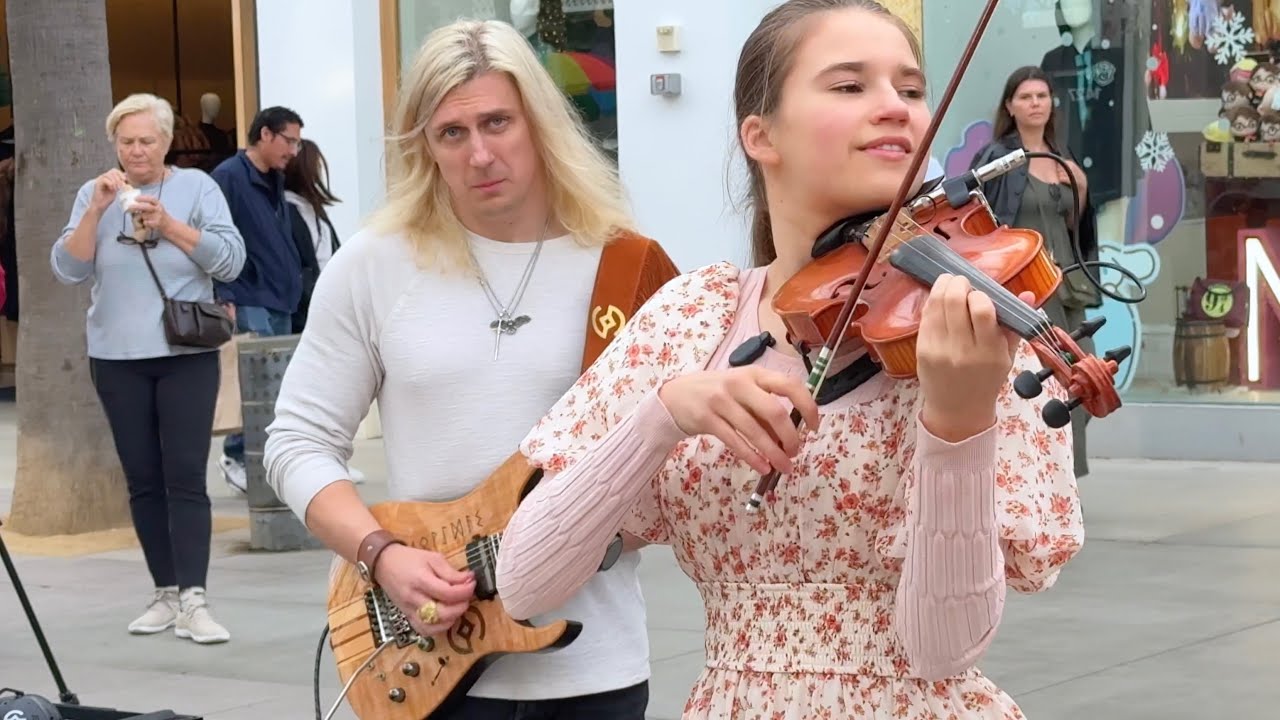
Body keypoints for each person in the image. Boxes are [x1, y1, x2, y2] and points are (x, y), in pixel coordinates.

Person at [495, 2, 1083, 718]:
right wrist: (660, 418)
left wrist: (958, 423)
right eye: (849, 86)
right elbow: (523, 583)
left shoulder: (971, 327)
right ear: (760, 135)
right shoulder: (695, 316)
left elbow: (943, 650)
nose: (895, 108)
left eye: (910, 88)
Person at [263, 19, 678, 719]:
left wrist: (608, 524)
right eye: (452, 133)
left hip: (595, 668)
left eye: (497, 122)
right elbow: (295, 443)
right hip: (425, 671)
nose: (480, 153)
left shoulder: (630, 266)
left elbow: (683, 466)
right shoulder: (373, 265)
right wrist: (382, 554)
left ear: (539, 124)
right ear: (424, 145)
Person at [50, 93, 245, 644]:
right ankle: (164, 593)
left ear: (166, 142)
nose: (137, 150)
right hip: (115, 356)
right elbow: (67, 267)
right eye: (127, 141)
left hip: (185, 354)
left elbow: (232, 259)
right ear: (115, 144)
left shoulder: (198, 189)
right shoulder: (97, 192)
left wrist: (171, 225)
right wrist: (95, 209)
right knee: (143, 481)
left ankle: (195, 600)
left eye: (148, 140)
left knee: (185, 476)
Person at [968, 65, 1098, 478]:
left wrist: (1079, 188)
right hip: (1027, 287)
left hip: (1068, 286)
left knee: (1086, 377)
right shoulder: (995, 160)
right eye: (1026, 97)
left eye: (1042, 96)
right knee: (1048, 381)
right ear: (1010, 105)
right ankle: (1055, 478)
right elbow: (978, 222)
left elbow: (1079, 228)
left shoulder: (1063, 157)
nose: (1035, 103)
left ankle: (1061, 472)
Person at [210, 106, 306, 494]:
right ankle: (236, 454)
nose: (294, 150)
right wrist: (225, 292)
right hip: (249, 294)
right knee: (254, 381)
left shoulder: (275, 178)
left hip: (280, 295)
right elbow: (216, 237)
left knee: (277, 384)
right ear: (265, 135)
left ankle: (264, 461)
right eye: (290, 140)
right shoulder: (229, 177)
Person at [284, 138, 341, 333]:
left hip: (327, 307)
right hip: (307, 313)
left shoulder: (313, 210)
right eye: (315, 165)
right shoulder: (287, 212)